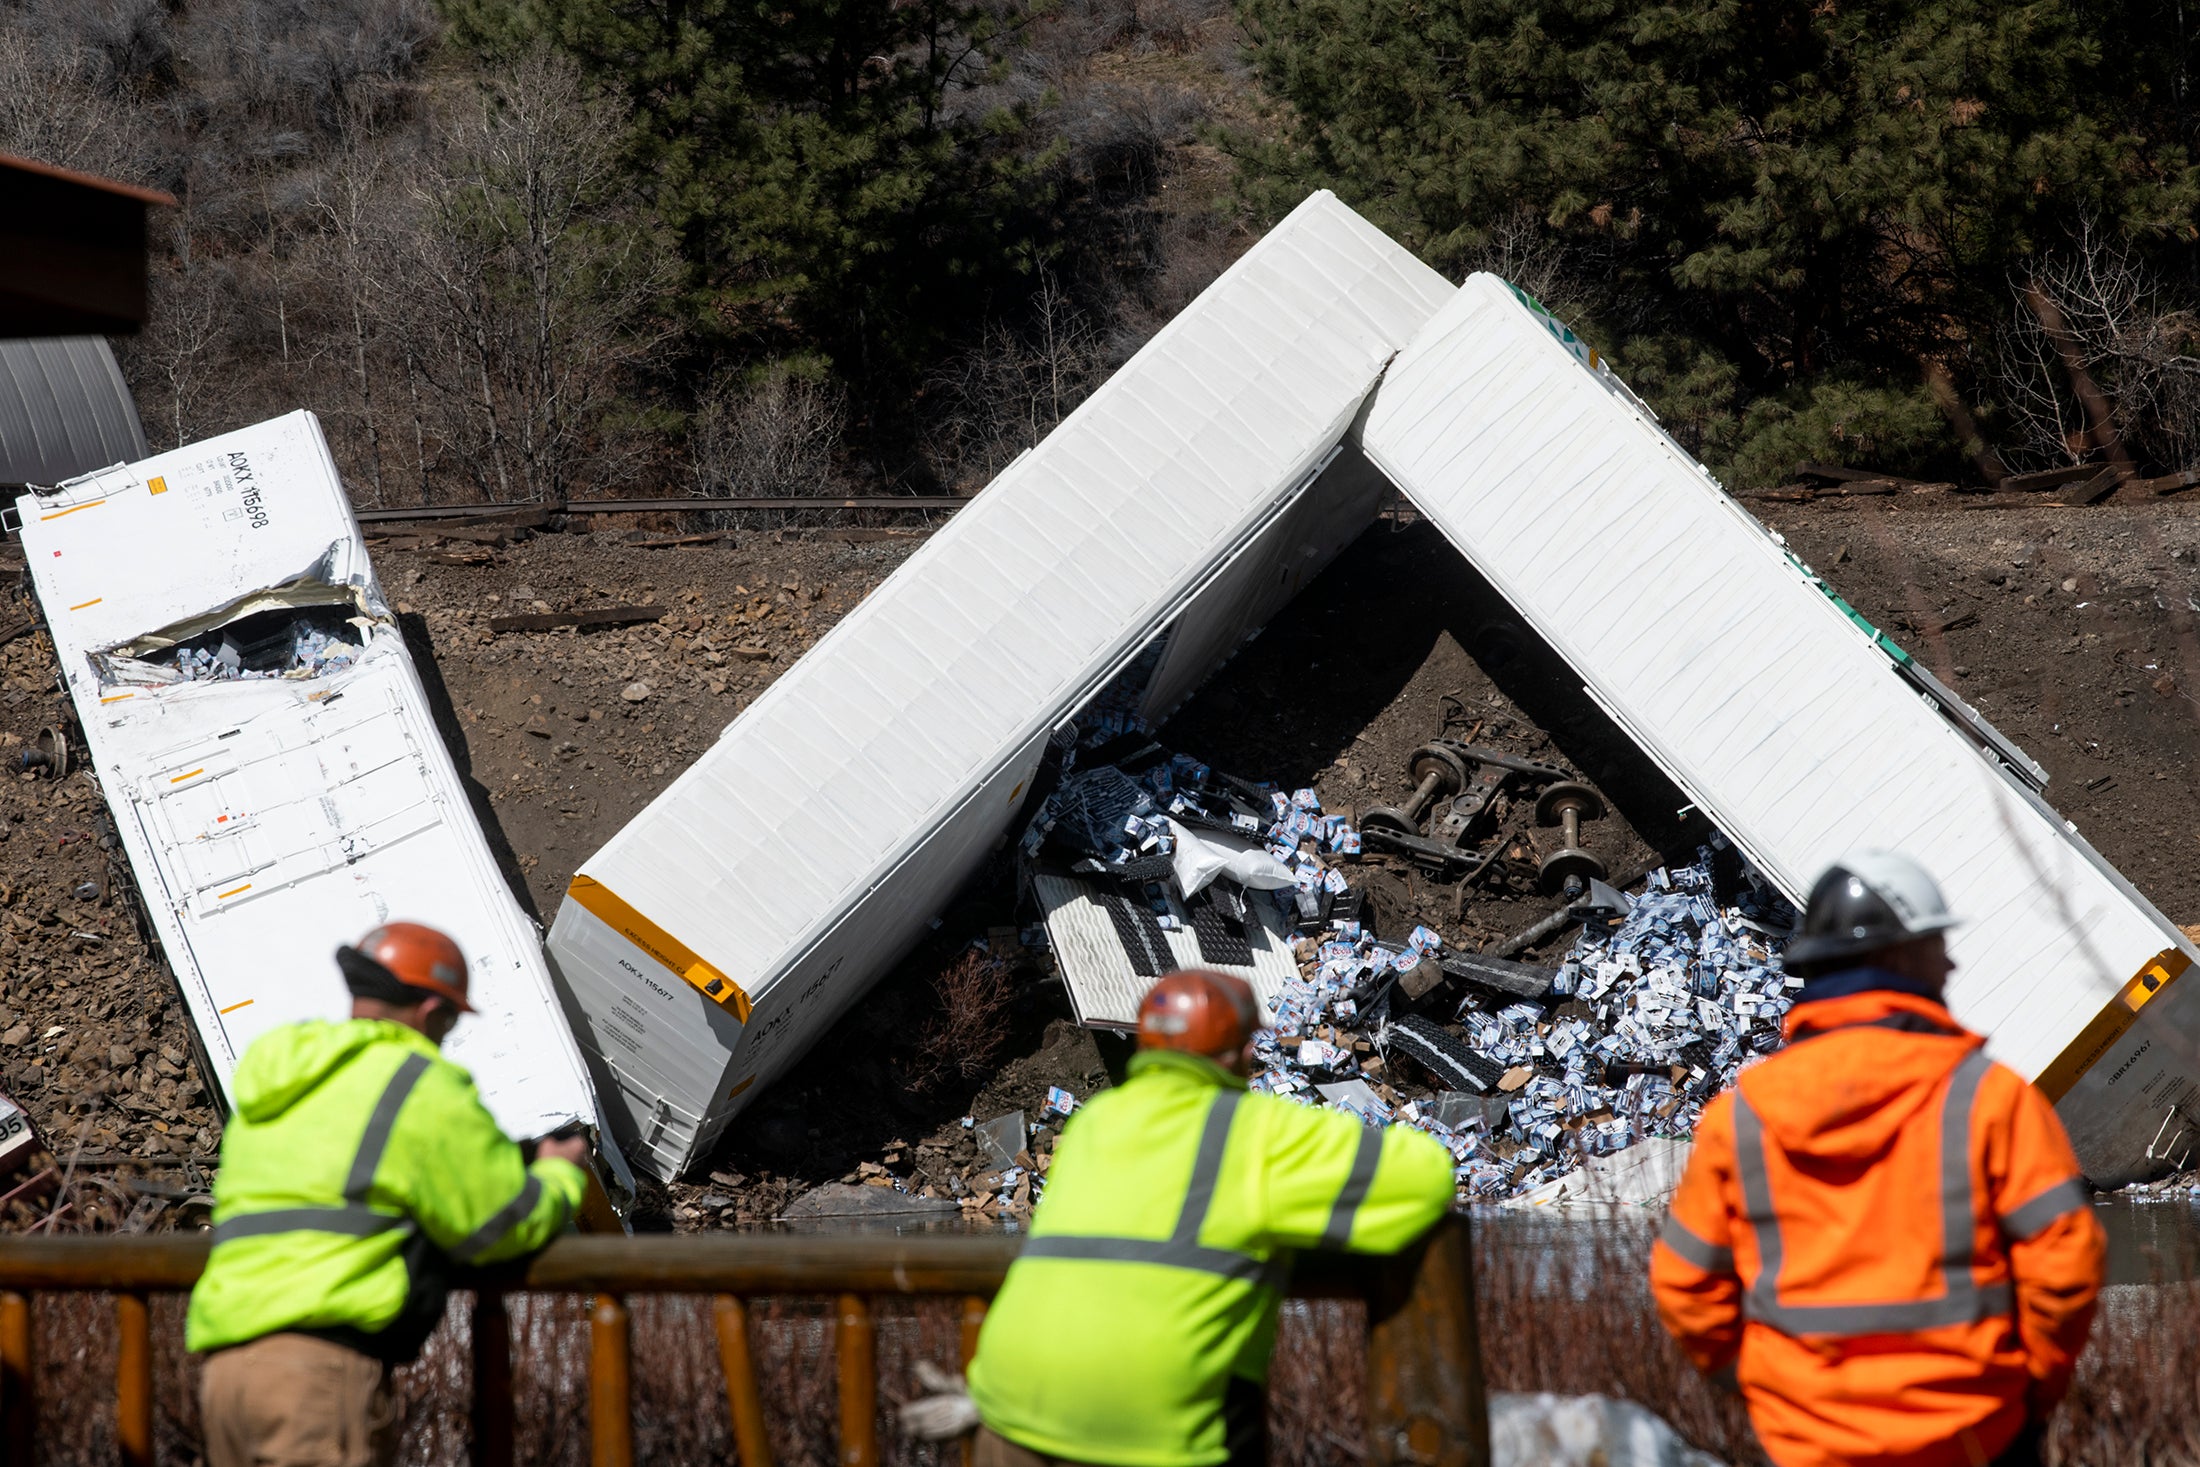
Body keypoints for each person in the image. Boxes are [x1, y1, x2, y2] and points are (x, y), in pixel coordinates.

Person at [1651, 852, 2104, 1467]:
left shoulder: (1741, 1118)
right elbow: (2066, 1269)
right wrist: (2032, 1392)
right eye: (1935, 942)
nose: (1950, 960)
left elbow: (1685, 1285)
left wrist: (1761, 1385)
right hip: (1973, 1436)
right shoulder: (1990, 1101)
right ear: (1896, 957)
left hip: (1805, 1442)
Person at [964, 968, 1455, 1467]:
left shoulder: (1096, 1120)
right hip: (1148, 1425)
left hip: (1006, 1404)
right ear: (1244, 1053)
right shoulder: (1260, 1133)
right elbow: (1427, 1178)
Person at [187, 922, 591, 1467]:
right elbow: (497, 1224)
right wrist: (560, 1176)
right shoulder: (418, 1082)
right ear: (430, 1011)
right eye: (449, 1019)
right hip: (319, 1374)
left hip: (225, 1373)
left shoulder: (283, 1073)